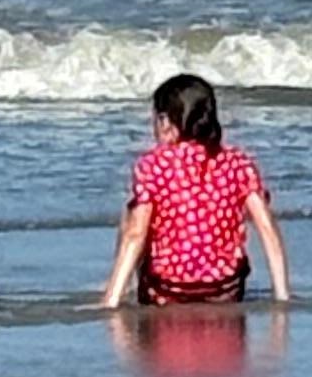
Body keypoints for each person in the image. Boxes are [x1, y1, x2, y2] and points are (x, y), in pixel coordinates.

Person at [100, 72, 290, 310]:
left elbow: (136, 233)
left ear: (166, 122)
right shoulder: (239, 163)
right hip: (225, 289)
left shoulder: (154, 164)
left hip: (167, 290)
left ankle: (121, 287)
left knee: (133, 211)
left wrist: (110, 302)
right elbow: (267, 227)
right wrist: (282, 296)